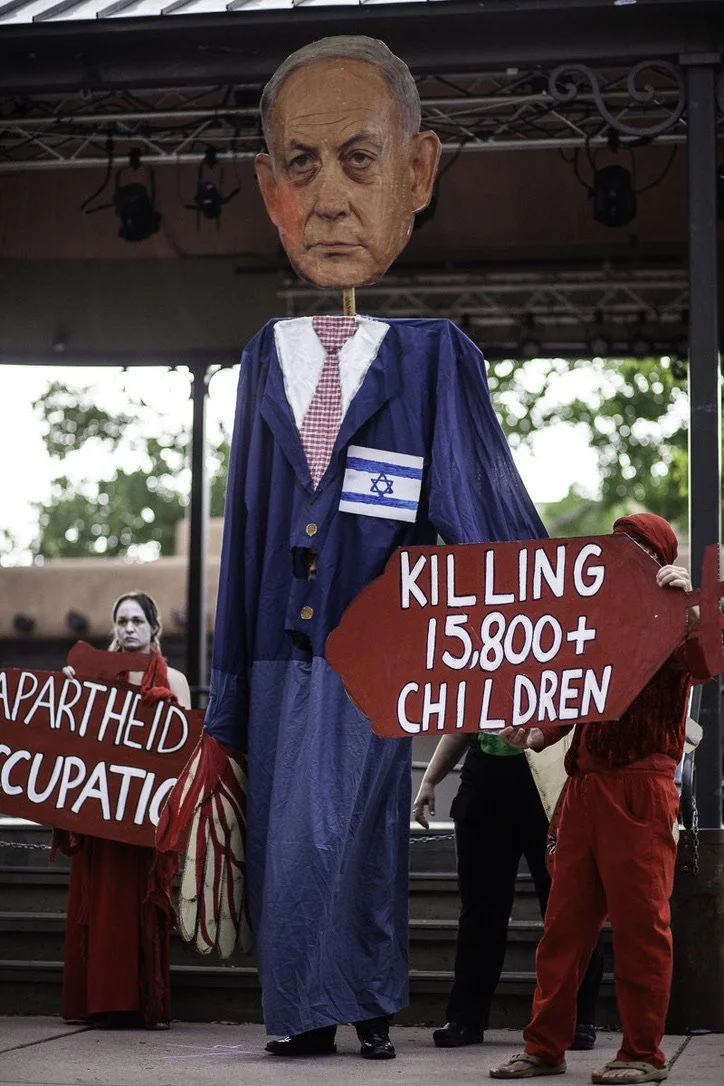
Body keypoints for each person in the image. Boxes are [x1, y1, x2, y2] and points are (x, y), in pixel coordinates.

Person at [158, 34, 547, 1062]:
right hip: (283, 662)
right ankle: (301, 1011)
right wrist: (224, 700)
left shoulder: (431, 360)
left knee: (361, 840)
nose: (328, 199)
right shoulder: (259, 361)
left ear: (417, 172)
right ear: (268, 188)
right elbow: (243, 532)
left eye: (360, 160)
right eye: (300, 165)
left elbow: (484, 512)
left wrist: (547, 649)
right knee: (290, 843)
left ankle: (370, 1002)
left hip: (376, 658)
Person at [489, 513, 713, 1084]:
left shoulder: (676, 615)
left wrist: (688, 607)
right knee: (563, 928)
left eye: (635, 548)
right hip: (584, 789)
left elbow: (708, 663)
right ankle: (545, 1046)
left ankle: (642, 1053)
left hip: (641, 790)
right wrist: (535, 733)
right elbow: (573, 698)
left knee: (642, 927)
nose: (622, 556)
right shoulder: (594, 622)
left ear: (658, 557)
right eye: (616, 547)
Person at [413, 732, 604, 1051]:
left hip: (551, 783)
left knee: (567, 909)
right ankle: (465, 1019)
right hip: (485, 783)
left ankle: (578, 1016)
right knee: (479, 913)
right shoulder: (478, 678)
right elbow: (463, 723)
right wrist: (430, 779)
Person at [55, 591, 191, 1029]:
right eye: (121, 620)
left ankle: (138, 1002)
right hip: (100, 815)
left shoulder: (175, 678)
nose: (129, 627)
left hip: (143, 819)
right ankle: (98, 1000)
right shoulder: (90, 675)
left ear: (154, 628)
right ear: (114, 628)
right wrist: (69, 691)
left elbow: (183, 750)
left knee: (139, 907)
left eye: (137, 620)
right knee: (99, 908)